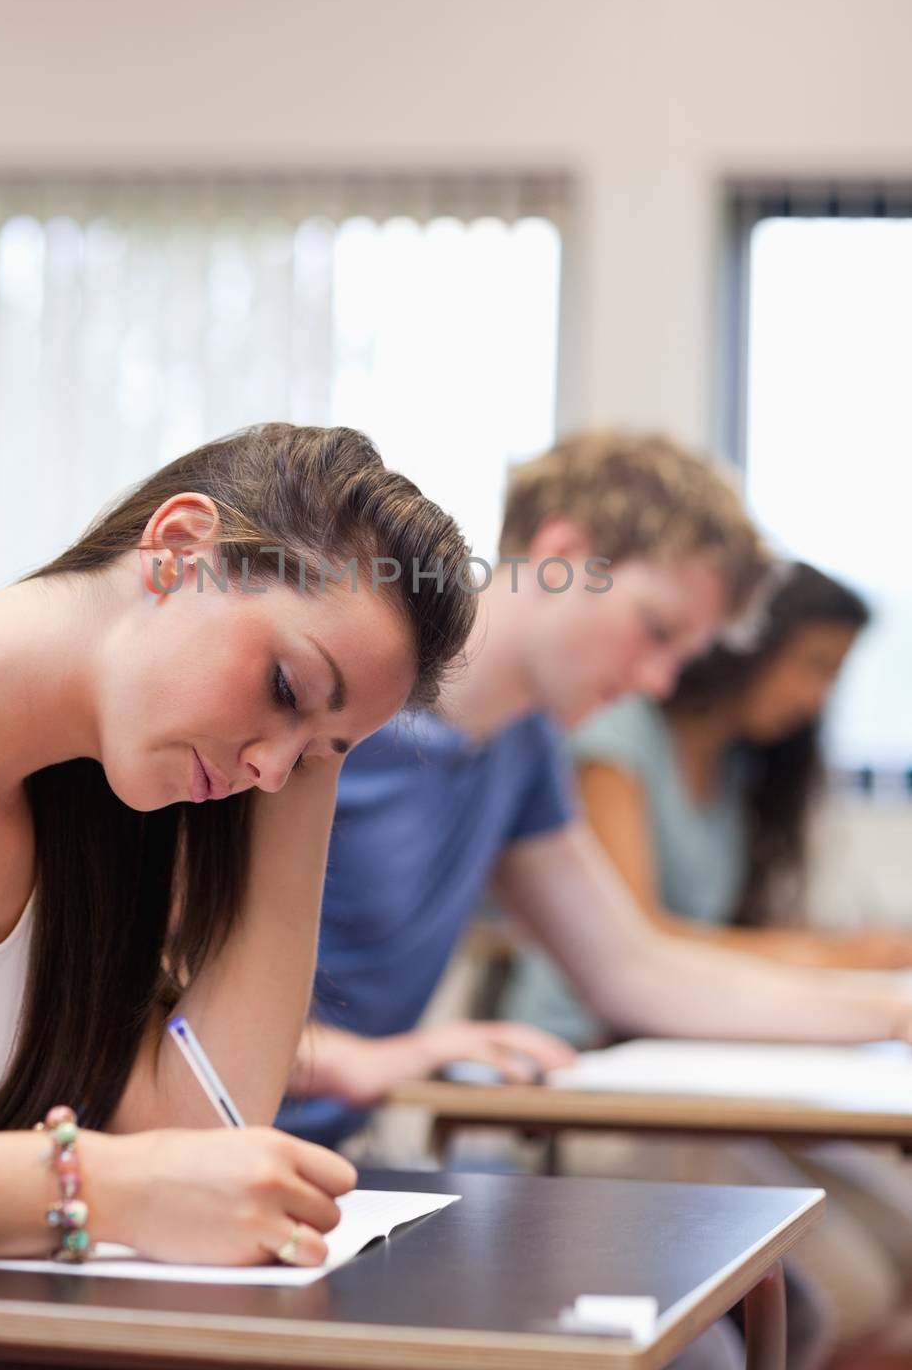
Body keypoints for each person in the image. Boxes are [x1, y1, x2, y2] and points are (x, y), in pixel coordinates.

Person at [0, 422, 475, 1269]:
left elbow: (205, 1130)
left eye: (316, 753)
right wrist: (98, 1186)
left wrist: (324, 742)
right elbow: (156, 1177)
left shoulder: (98, 815)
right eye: (283, 687)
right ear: (178, 548)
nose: (270, 768)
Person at [277, 435, 912, 1151]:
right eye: (655, 630)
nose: (659, 682)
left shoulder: (523, 746)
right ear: (562, 554)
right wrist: (346, 1058)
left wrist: (889, 1016)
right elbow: (159, 988)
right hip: (204, 1140)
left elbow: (632, 968)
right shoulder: (332, 697)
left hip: (319, 1159)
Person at [501, 560, 912, 1353]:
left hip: (697, 1054)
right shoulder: (613, 741)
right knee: (847, 1287)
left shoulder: (735, 770)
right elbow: (641, 940)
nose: (816, 698)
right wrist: (839, 962)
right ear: (744, 647)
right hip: (599, 1062)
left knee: (896, 1243)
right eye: (813, 666)